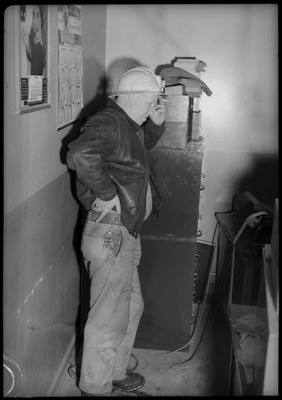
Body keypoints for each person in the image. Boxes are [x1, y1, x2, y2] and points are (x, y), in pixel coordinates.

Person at [66, 67, 166, 396]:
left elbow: (135, 151)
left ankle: (116, 371)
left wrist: (156, 124)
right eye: (152, 101)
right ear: (135, 97)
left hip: (126, 230)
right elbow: (80, 153)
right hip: (112, 232)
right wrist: (108, 195)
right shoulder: (109, 121)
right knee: (108, 317)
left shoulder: (127, 123)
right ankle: (95, 388)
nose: (153, 106)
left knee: (130, 305)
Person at [23, 5, 47, 75]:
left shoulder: (43, 37)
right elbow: (30, 58)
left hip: (40, 78)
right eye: (33, 15)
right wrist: (25, 43)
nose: (35, 19)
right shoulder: (31, 36)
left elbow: (43, 62)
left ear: (42, 18)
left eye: (38, 16)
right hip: (32, 78)